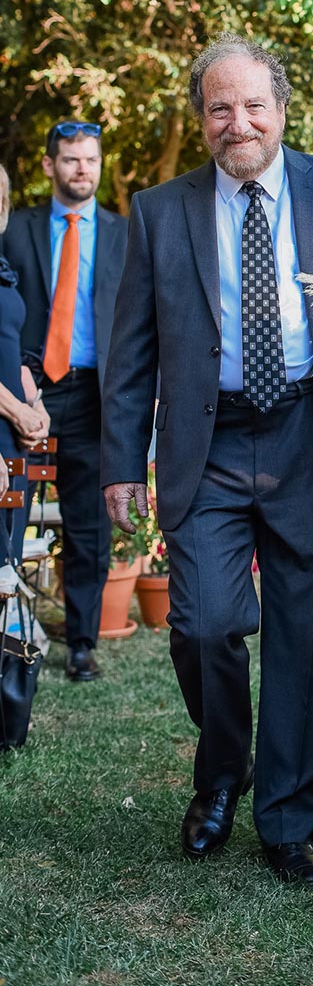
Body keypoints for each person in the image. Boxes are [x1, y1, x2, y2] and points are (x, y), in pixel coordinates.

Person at [100, 34, 313, 884]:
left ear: (281, 108)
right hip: (208, 440)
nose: (239, 122)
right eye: (220, 107)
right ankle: (223, 770)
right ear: (201, 119)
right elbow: (131, 351)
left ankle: (289, 820)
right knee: (204, 624)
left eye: (253, 104)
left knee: (307, 636)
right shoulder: (159, 210)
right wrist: (122, 462)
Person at [4, 123, 127, 680]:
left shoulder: (125, 234)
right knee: (10, 509)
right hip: (23, 387)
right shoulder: (17, 227)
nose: (83, 169)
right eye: (72, 160)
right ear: (50, 165)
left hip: (94, 393)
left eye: (92, 160)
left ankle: (80, 643)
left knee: (86, 526)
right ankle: (8, 634)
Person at [0, 164, 49, 559]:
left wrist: (34, 402)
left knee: (6, 573)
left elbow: (9, 349)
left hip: (13, 439)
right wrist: (16, 410)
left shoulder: (3, 268)